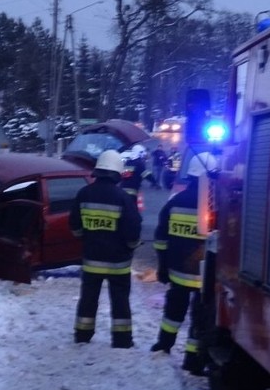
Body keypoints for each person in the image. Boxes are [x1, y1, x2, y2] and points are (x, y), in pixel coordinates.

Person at [150, 151, 218, 375]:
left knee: (173, 311)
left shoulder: (174, 203)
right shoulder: (218, 207)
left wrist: (162, 267)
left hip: (177, 273)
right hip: (205, 278)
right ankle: (193, 359)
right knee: (201, 317)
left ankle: (164, 344)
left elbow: (160, 240)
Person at [69, 150, 142, 348]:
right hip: (118, 263)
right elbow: (133, 229)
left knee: (88, 299)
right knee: (120, 301)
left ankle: (82, 335)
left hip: (91, 260)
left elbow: (74, 225)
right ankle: (122, 340)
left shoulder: (84, 193)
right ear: (117, 173)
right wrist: (131, 246)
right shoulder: (123, 197)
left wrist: (85, 238)